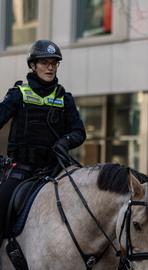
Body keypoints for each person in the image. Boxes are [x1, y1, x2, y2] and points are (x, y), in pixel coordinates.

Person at [0, 40, 86, 241]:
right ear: (32, 65)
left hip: (54, 168)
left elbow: (79, 132)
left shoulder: (66, 99)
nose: (50, 67)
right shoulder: (18, 94)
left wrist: (65, 142)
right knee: (2, 202)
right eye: (44, 62)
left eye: (54, 63)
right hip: (22, 167)